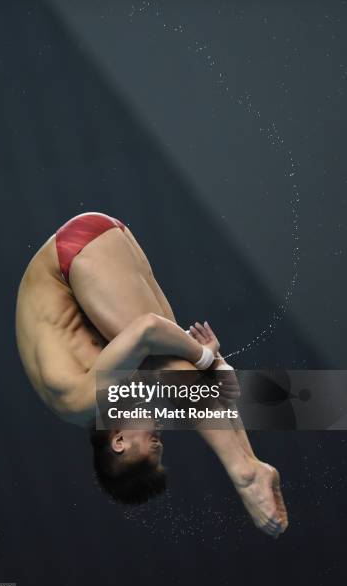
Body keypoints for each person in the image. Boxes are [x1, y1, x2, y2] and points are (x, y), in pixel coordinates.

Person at [15, 211, 288, 537]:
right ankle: (249, 465)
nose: (160, 429)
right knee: (177, 375)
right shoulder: (112, 402)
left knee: (170, 371)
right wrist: (215, 365)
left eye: (153, 440)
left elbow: (148, 330)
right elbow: (202, 385)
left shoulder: (81, 401)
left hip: (71, 255)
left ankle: (243, 472)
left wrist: (202, 357)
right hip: (91, 243)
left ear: (118, 441)